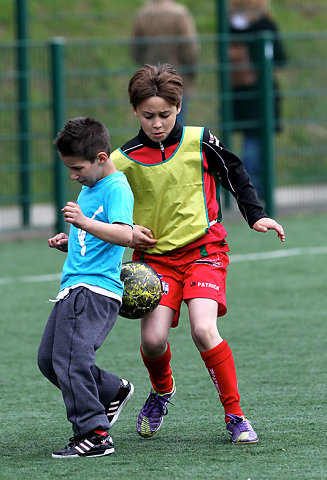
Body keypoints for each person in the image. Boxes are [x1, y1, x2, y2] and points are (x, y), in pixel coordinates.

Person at [111, 63, 285, 445]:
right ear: (134, 111)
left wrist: (256, 215)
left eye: (165, 114)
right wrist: (85, 233)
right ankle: (162, 391)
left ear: (179, 106)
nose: (157, 123)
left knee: (204, 329)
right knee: (154, 341)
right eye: (148, 115)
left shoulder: (199, 140)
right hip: (154, 262)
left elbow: (234, 173)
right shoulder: (121, 160)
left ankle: (235, 415)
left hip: (204, 251)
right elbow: (102, 211)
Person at [37, 117, 135, 458]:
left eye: (77, 167)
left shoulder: (116, 187)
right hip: (73, 286)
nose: (73, 175)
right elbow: (96, 235)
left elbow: (125, 234)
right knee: (49, 361)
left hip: (94, 290)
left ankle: (94, 433)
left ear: (102, 158)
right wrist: (72, 240)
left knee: (71, 358)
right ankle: (110, 390)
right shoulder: (90, 188)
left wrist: (83, 222)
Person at [229, 0, 287, 197]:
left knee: (251, 142)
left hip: (243, 94)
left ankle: (250, 187)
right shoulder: (264, 25)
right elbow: (280, 58)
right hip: (261, 93)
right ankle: (252, 189)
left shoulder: (231, 26)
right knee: (257, 144)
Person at [131, 0, 199, 125]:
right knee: (175, 121)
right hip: (176, 78)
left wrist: (144, 67)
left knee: (151, 122)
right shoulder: (180, 13)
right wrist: (191, 70)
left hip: (149, 79)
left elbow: (135, 48)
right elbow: (189, 48)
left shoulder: (143, 14)